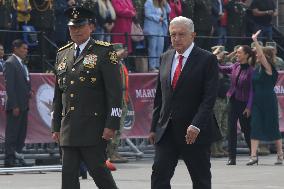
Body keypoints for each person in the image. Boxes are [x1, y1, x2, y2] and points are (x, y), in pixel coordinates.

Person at [51, 6, 122, 189]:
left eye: (80, 26)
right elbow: (59, 95)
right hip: (68, 128)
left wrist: (111, 124)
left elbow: (114, 93)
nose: (76, 30)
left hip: (93, 127)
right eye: (72, 27)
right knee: (68, 177)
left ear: (91, 27)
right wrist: (55, 126)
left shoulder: (104, 52)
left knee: (100, 173)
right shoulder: (62, 53)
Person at [149, 16, 221, 189]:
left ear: (193, 35)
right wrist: (153, 127)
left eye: (181, 34)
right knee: (159, 176)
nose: (176, 38)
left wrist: (196, 125)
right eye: (173, 34)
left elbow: (209, 98)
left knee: (200, 179)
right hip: (166, 131)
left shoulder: (207, 59)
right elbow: (160, 97)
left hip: (194, 132)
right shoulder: (165, 57)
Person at [246, 30, 283, 166]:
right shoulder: (257, 69)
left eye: (259, 53)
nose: (256, 54)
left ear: (266, 56)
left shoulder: (270, 68)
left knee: (273, 127)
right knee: (255, 127)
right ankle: (253, 156)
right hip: (257, 101)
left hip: (269, 101)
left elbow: (260, 56)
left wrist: (255, 40)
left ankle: (280, 155)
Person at [218, 45, 255, 165]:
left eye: (239, 53)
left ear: (247, 55)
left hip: (244, 103)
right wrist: (216, 58)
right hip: (233, 101)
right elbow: (221, 68)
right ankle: (231, 157)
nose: (236, 54)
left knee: (246, 129)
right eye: (237, 53)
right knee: (231, 130)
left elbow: (252, 91)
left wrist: (249, 107)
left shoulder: (251, 70)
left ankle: (253, 154)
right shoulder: (235, 66)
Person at [3, 39, 31, 167]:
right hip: (16, 105)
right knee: (13, 133)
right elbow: (10, 86)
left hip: (24, 104)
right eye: (23, 48)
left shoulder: (22, 63)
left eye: (26, 49)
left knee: (21, 133)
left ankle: (18, 155)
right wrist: (14, 105)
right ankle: (9, 158)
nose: (26, 51)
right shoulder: (10, 63)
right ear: (15, 48)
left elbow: (24, 81)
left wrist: (28, 91)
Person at [143, 0, 171, 72]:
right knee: (153, 47)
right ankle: (152, 67)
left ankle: (158, 66)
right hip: (152, 28)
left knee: (160, 47)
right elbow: (147, 14)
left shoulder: (161, 3)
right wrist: (157, 18)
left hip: (160, 28)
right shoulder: (149, 2)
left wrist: (166, 3)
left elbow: (169, 10)